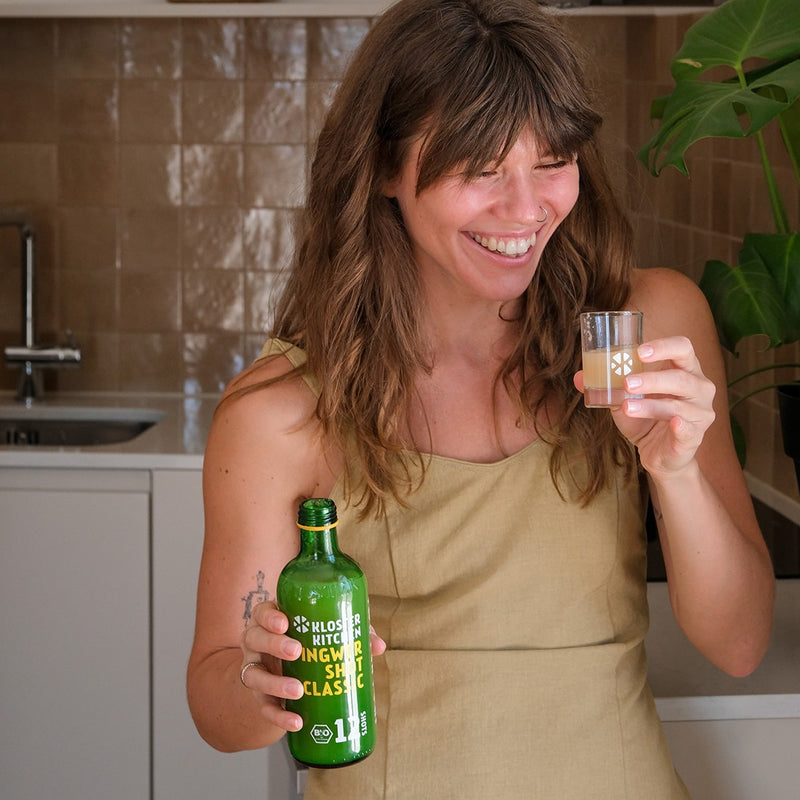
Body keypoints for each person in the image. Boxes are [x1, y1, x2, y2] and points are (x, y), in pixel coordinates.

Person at [186, 1, 775, 797]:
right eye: (482, 169)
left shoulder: (645, 334)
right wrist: (262, 683)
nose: (526, 208)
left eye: (553, 160)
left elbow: (739, 644)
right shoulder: (282, 413)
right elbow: (217, 696)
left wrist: (673, 474)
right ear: (387, 170)